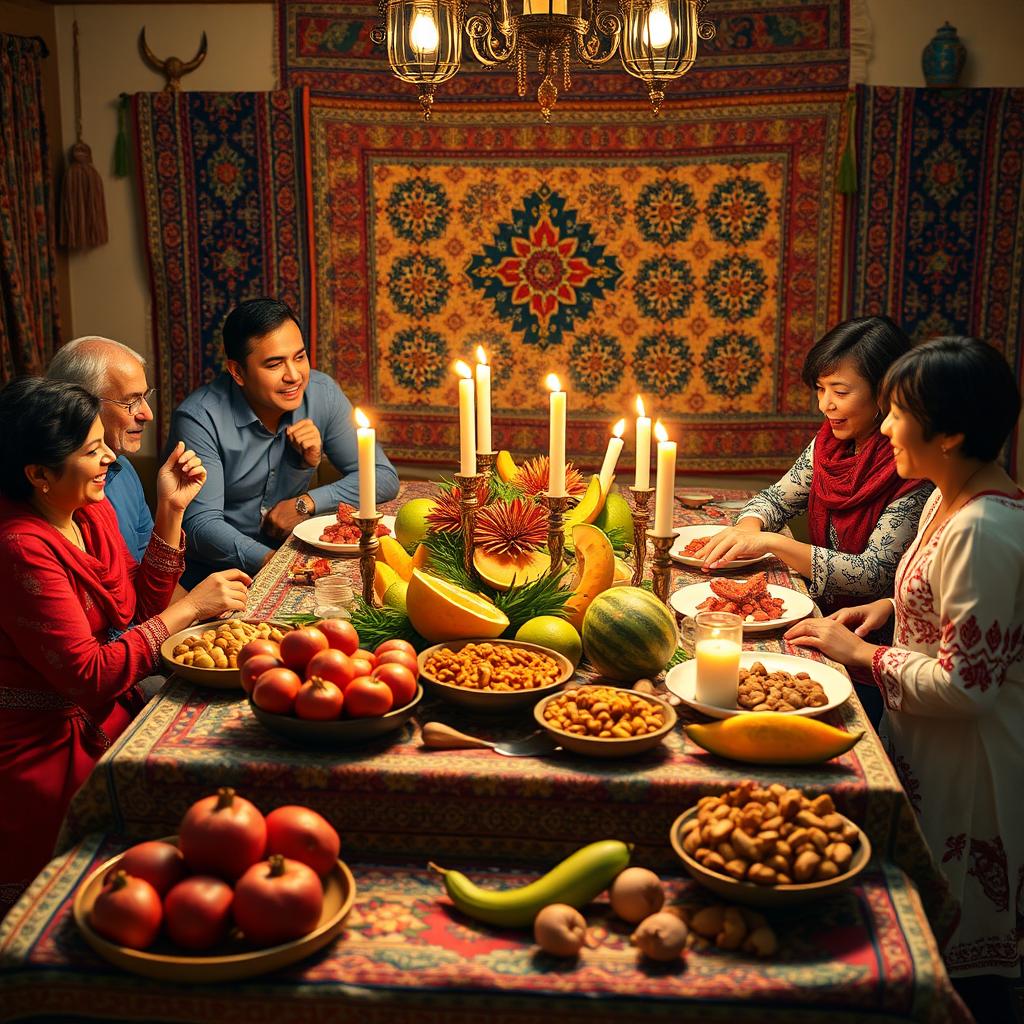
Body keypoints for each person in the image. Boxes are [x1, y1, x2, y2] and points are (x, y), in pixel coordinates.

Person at [784, 337, 1023, 1016]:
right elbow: (945, 597)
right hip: (927, 740)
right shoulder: (946, 499)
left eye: (898, 413)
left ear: (950, 433)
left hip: (970, 761)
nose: (883, 426)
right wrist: (892, 605)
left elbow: (968, 688)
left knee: (952, 952)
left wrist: (861, 655)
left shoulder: (982, 528)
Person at [0, 379, 251, 918]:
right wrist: (189, 611)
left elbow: (133, 612)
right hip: (42, 747)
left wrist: (171, 512)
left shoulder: (87, 512)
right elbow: (88, 675)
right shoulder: (20, 547)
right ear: (38, 474)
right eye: (92, 451)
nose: (110, 457)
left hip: (104, 711)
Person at [696, 317, 933, 722]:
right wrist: (749, 527)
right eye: (821, 390)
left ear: (885, 392)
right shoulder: (828, 443)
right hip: (819, 619)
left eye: (840, 391)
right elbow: (776, 498)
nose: (826, 405)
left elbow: (874, 573)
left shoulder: (910, 462)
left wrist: (773, 543)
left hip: (872, 643)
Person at [169, 298, 400, 588]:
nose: (294, 376)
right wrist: (275, 563)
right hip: (216, 577)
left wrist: (307, 503)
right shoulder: (199, 419)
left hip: (293, 556)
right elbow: (201, 527)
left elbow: (383, 476)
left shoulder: (321, 393)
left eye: (300, 357)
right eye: (275, 363)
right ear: (237, 372)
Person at [47, 335, 157, 562]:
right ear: (79, 403)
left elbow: (149, 575)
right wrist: (195, 600)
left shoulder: (124, 468)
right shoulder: (58, 491)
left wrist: (172, 508)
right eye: (131, 401)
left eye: (145, 397)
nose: (148, 414)